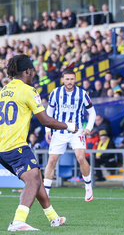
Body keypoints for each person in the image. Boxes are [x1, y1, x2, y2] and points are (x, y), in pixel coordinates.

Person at [0, 55, 77, 231]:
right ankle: (18, 221)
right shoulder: (28, 90)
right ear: (27, 70)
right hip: (16, 145)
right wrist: (69, 126)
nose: (33, 73)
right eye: (32, 70)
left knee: (36, 178)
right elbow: (46, 121)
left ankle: (53, 217)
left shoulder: (3, 90)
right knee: (33, 180)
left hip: (3, 147)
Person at [43, 69, 96, 202]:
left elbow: (92, 113)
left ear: (75, 79)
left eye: (72, 79)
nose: (69, 81)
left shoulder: (82, 94)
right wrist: (47, 130)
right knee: (51, 161)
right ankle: (46, 193)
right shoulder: (55, 93)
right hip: (59, 131)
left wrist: (88, 128)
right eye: (67, 79)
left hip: (76, 131)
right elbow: (49, 112)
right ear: (62, 79)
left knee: (80, 157)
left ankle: (88, 187)